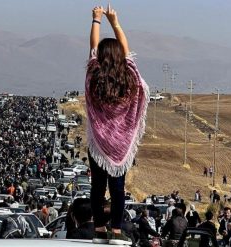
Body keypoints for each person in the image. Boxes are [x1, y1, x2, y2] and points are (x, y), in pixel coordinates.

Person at [86, 4, 149, 246]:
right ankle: (115, 231)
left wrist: (96, 20)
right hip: (121, 145)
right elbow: (128, 53)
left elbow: (93, 47)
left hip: (98, 144)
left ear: (101, 57)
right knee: (118, 187)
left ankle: (99, 229)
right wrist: (115, 21)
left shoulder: (93, 75)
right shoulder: (130, 77)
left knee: (98, 187)